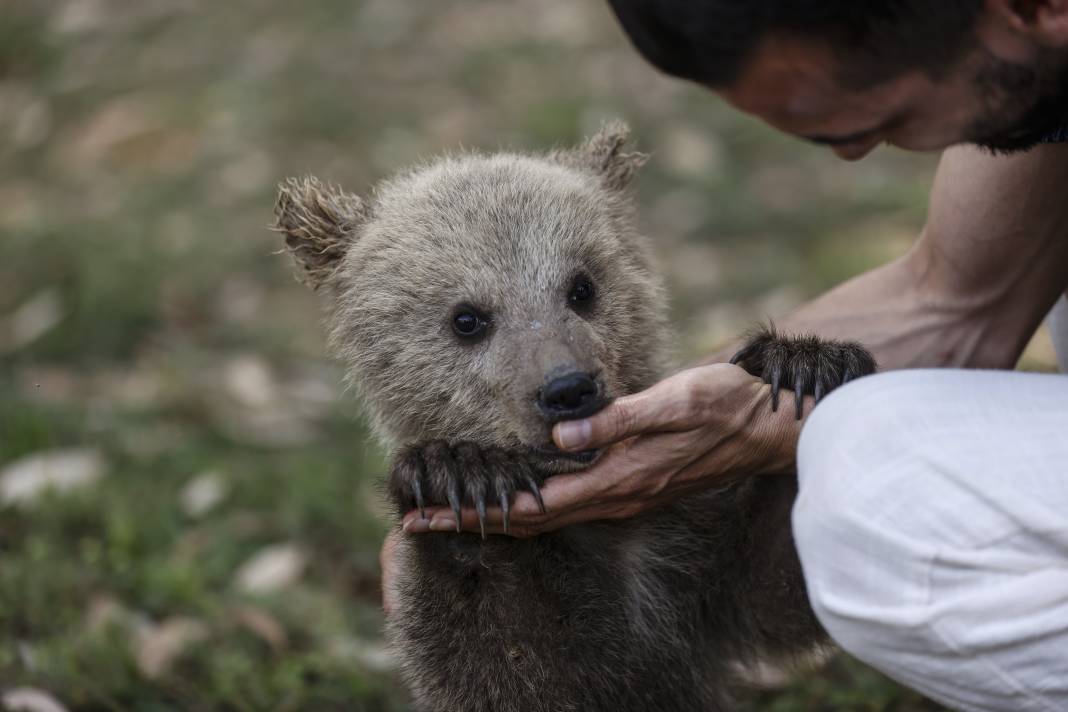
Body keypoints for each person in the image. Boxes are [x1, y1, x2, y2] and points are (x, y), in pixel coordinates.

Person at [386, 1, 1068, 709]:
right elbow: (956, 297)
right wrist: (755, 395)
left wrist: (806, 428)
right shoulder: (1030, 75)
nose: (853, 153)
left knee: (871, 482)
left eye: (881, 116)